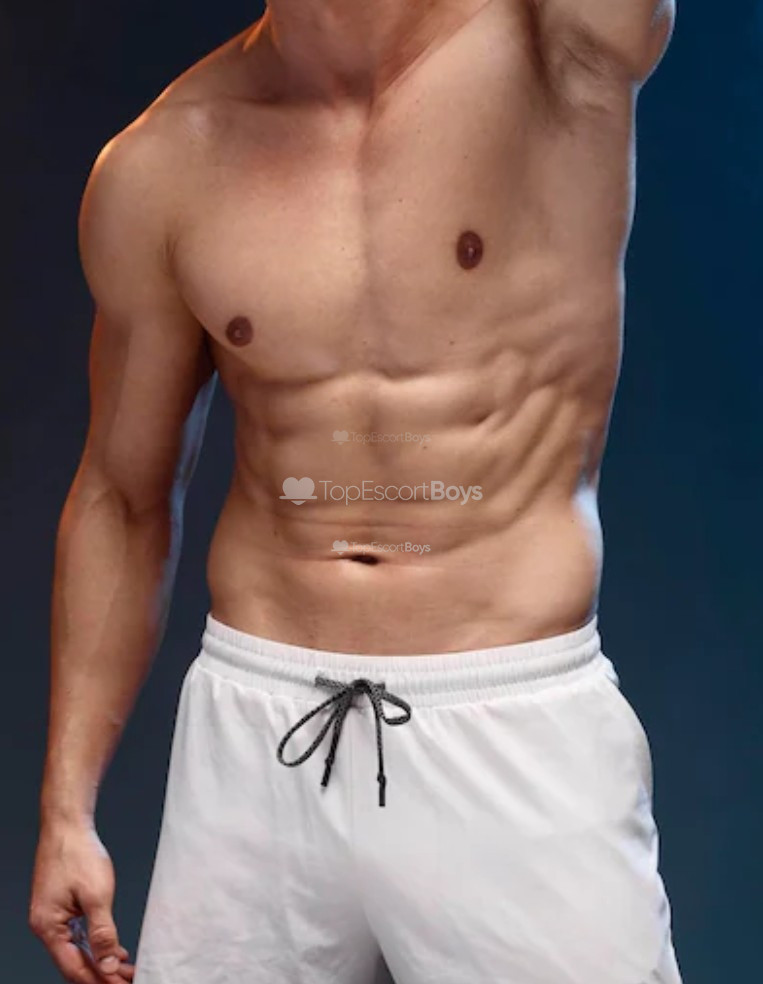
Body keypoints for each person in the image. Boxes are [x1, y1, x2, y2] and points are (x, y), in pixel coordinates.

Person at [29, 0, 682, 982]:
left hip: (508, 720)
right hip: (258, 742)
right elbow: (121, 497)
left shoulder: (560, 37)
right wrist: (66, 810)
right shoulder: (160, 163)